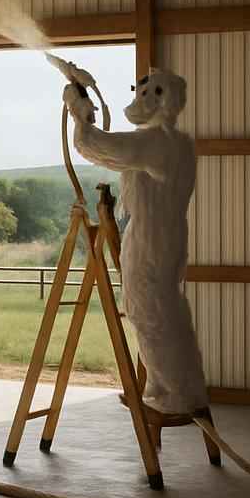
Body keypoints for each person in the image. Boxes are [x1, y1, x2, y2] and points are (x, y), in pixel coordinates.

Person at [62, 69, 210, 418]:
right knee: (164, 311)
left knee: (150, 313)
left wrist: (79, 115)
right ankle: (165, 386)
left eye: (146, 94)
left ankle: (175, 393)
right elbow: (116, 152)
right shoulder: (178, 143)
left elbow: (97, 148)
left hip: (150, 237)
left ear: (161, 99)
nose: (138, 98)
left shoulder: (157, 142)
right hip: (165, 234)